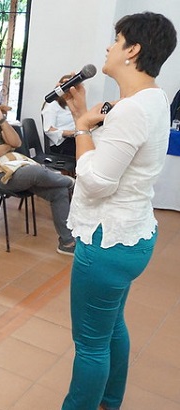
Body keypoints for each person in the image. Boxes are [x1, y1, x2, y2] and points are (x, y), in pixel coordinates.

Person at [60, 12, 176, 410]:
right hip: (134, 234)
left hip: (107, 242)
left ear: (133, 50)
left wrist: (81, 129)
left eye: (116, 39)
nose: (108, 48)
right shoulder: (152, 98)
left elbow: (96, 182)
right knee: (111, 328)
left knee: (90, 345)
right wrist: (83, 115)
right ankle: (110, 400)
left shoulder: (131, 110)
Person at [0, 82, 75, 254]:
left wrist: (2, 121)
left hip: (13, 167)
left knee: (58, 190)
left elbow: (17, 142)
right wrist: (7, 146)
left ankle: (67, 242)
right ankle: (71, 182)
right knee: (36, 171)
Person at [41, 74, 77, 157]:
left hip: (72, 140)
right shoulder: (52, 105)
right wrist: (72, 133)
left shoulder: (71, 105)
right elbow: (49, 130)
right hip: (60, 144)